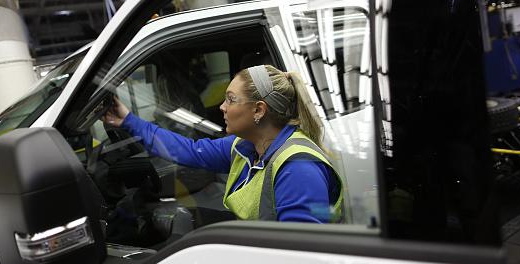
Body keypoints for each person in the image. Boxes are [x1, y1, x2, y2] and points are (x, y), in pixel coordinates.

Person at [103, 64, 346, 223]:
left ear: (258, 110)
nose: (222, 107)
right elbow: (191, 151)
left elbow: (298, 258)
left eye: (231, 99)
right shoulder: (245, 147)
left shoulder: (298, 169)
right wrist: (129, 121)